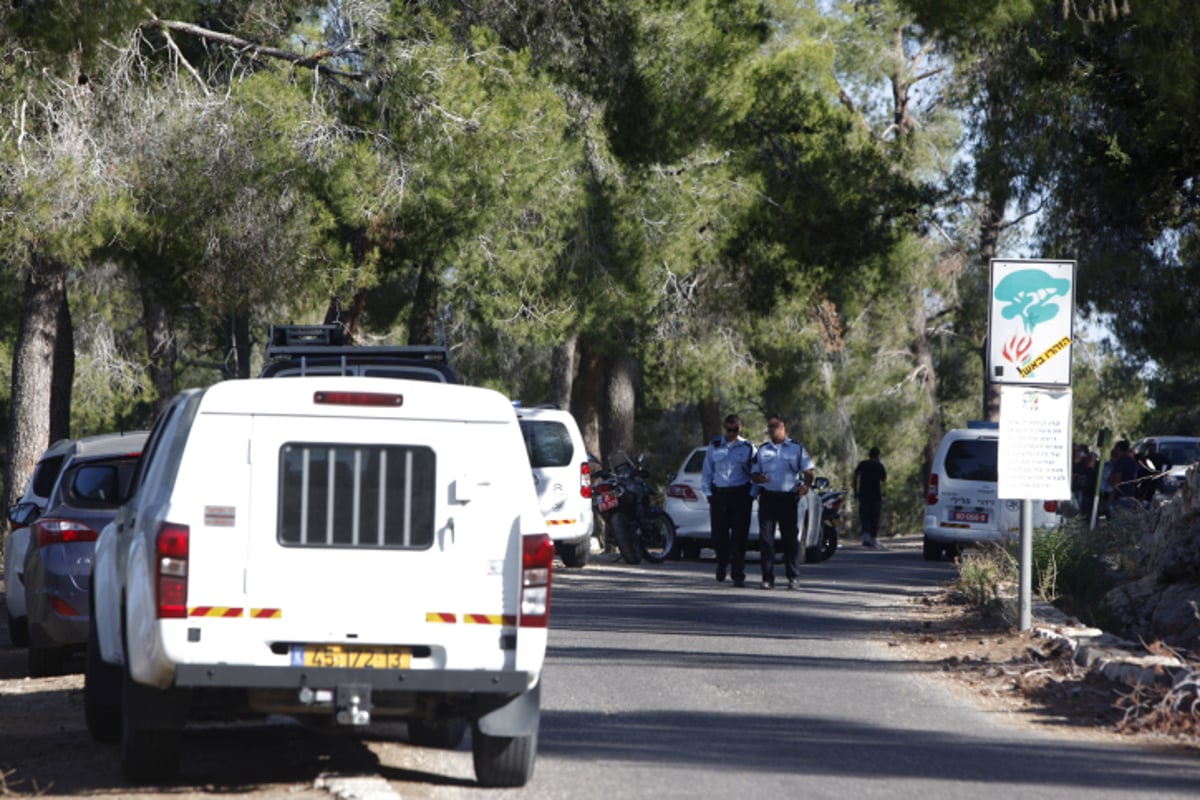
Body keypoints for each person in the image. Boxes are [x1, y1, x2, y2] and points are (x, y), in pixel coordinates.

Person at [750, 414, 814, 590]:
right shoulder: (763, 450)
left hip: (788, 499)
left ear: (783, 426)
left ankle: (793, 577)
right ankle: (767, 578)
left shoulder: (796, 448)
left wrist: (806, 486)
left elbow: (808, 470)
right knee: (766, 540)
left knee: (790, 540)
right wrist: (759, 478)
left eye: (774, 426)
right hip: (768, 498)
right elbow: (754, 473)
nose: (771, 429)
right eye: (769, 426)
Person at [701, 414, 756, 587]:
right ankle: (722, 564)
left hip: (740, 495)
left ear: (740, 428)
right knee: (719, 536)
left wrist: (752, 495)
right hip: (720, 495)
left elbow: (756, 472)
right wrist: (709, 494)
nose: (731, 433)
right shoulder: (715, 446)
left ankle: (738, 573)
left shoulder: (748, 447)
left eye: (734, 430)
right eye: (728, 430)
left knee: (739, 537)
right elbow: (707, 472)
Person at [853, 447, 887, 548]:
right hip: (875, 495)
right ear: (878, 455)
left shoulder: (862, 464)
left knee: (865, 516)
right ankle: (873, 538)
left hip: (863, 494)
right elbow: (884, 478)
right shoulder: (879, 466)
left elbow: (855, 477)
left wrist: (855, 491)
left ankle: (865, 538)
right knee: (874, 517)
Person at [1108, 439, 1140, 511]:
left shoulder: (1120, 462)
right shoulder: (1132, 462)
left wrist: (1109, 500)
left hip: (1120, 497)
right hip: (1131, 496)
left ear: (1118, 449)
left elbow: (1116, 482)